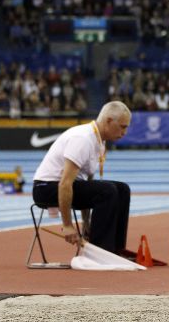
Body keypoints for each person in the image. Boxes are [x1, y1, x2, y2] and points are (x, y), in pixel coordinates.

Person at [32, 101, 132, 255]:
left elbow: (88, 185)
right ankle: (99, 252)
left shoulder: (99, 141)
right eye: (123, 126)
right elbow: (65, 184)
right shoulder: (83, 139)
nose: (125, 132)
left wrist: (87, 222)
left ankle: (116, 248)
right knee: (108, 191)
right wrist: (68, 225)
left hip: (65, 186)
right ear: (109, 121)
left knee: (122, 189)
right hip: (46, 188)